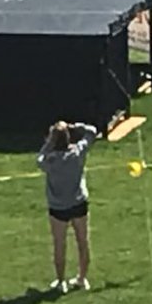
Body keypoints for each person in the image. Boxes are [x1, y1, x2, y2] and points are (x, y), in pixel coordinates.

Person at [36, 120, 97, 291]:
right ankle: (82, 278)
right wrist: (74, 126)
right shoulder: (77, 153)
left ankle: (61, 281)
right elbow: (91, 131)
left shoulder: (50, 160)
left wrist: (48, 144)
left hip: (58, 207)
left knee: (59, 244)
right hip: (78, 202)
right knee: (83, 241)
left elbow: (38, 159)